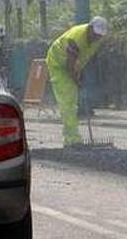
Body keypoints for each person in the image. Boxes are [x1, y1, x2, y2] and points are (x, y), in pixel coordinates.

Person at [44, 16, 108, 146]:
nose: (97, 38)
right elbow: (69, 65)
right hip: (58, 64)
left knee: (72, 101)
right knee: (68, 102)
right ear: (90, 28)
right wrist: (77, 81)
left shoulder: (97, 40)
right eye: (96, 34)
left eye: (100, 36)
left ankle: (73, 137)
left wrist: (80, 72)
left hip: (71, 64)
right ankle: (72, 139)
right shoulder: (76, 38)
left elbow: (82, 58)